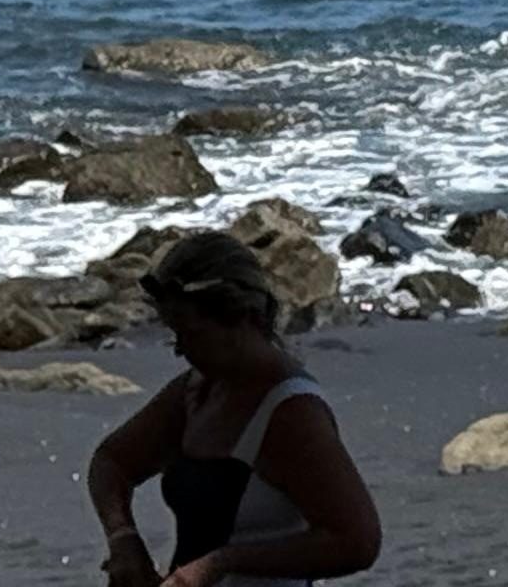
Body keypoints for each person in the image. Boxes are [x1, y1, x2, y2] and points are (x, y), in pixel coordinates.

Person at [87, 231, 382, 587]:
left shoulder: (292, 413)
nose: (180, 350)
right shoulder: (196, 391)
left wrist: (223, 562)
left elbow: (357, 541)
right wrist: (124, 540)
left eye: (192, 334)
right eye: (174, 334)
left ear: (244, 319)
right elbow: (111, 462)